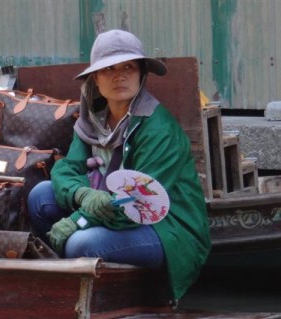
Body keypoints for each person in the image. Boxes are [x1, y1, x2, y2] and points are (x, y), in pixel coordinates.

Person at [27, 29, 211, 301]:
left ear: (141, 75)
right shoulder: (92, 122)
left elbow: (138, 201)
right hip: (110, 212)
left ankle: (115, 293)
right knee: (40, 196)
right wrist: (84, 195)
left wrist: (77, 221)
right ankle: (74, 286)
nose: (120, 76)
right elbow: (67, 169)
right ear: (95, 79)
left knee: (81, 243)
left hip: (164, 227)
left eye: (129, 67)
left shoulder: (158, 129)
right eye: (108, 69)